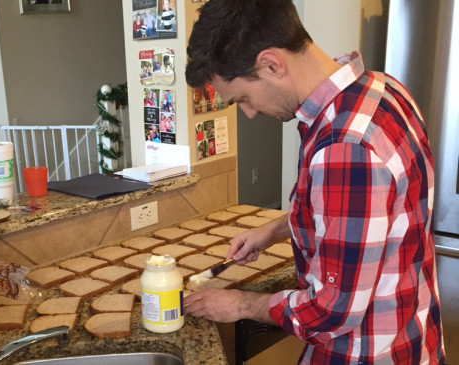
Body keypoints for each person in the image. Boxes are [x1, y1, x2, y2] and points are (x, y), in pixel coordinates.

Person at [183, 0, 445, 364]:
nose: (250, 112)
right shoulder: (382, 90)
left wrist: (240, 304)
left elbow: (331, 312)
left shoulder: (344, 146)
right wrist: (275, 229)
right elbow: (368, 218)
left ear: (271, 64)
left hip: (365, 354)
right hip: (411, 333)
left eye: (242, 97)